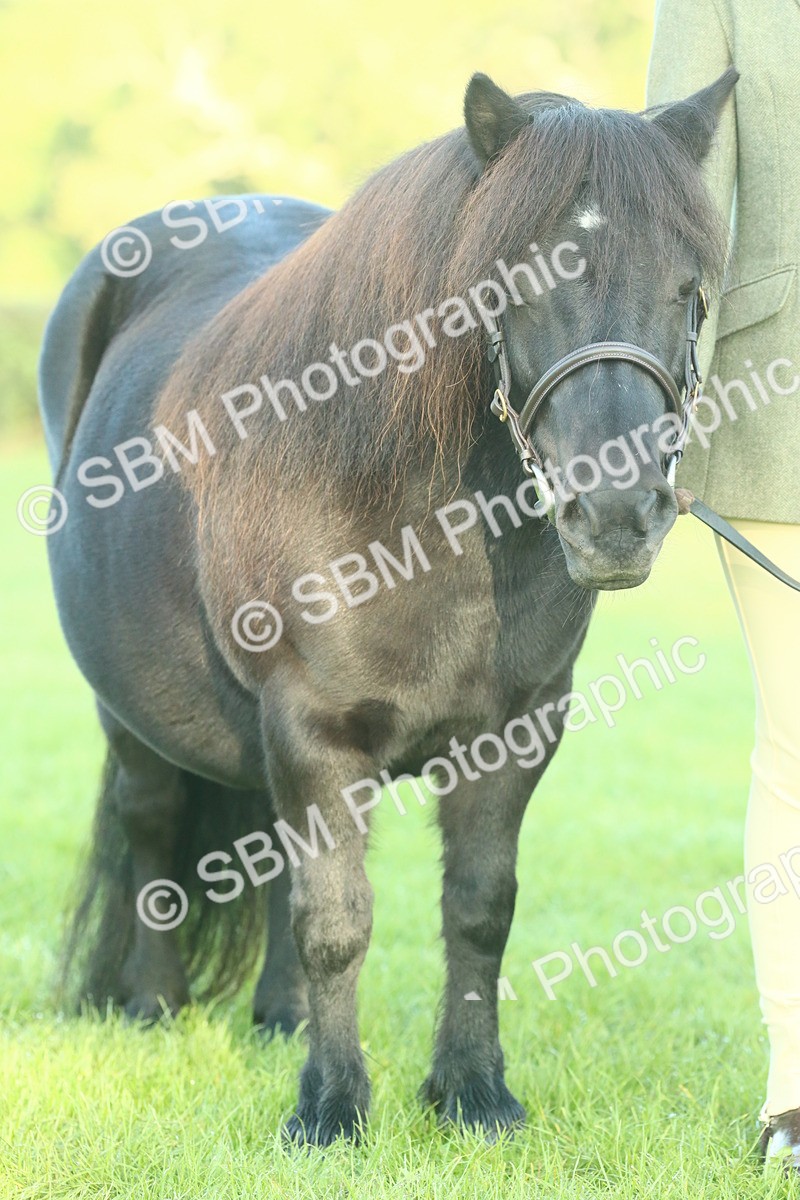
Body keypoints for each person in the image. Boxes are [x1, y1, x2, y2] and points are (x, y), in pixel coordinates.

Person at [647, 0, 800, 1169]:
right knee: (797, 753)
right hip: (777, 412)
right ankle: (793, 1089)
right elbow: (667, 178)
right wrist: (667, 422)